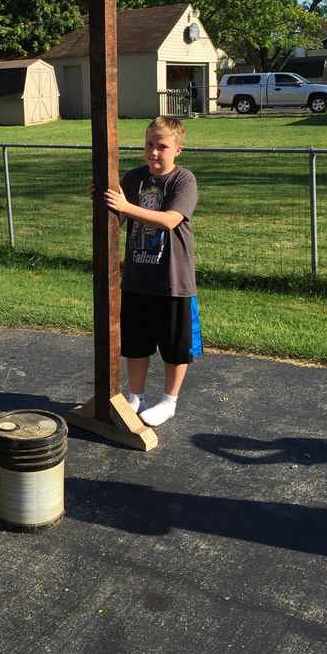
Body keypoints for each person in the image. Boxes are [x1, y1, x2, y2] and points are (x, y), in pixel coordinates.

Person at [102, 115, 202, 427]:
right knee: (136, 343)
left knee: (175, 348)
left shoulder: (183, 180)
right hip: (137, 280)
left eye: (162, 146)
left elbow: (170, 219)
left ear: (178, 150)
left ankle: (169, 401)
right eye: (149, 145)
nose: (154, 152)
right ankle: (135, 396)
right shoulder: (134, 179)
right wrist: (102, 199)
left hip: (173, 281)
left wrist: (124, 206)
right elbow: (115, 218)